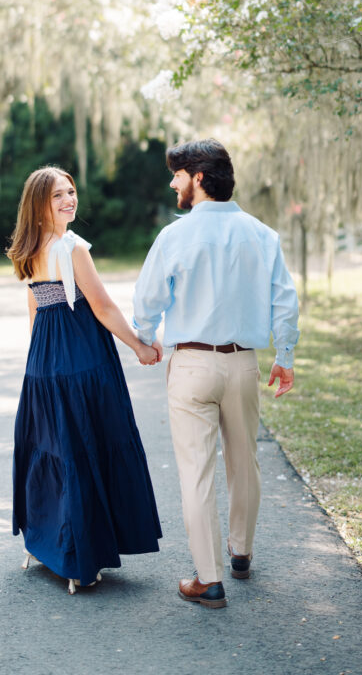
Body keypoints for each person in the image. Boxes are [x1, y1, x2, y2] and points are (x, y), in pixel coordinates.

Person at [132, 138, 299, 609]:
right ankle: (241, 552)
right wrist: (283, 358)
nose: (172, 183)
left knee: (197, 473)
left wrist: (146, 338)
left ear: (199, 178)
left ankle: (210, 579)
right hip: (243, 364)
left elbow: (147, 303)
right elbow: (285, 302)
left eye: (177, 175)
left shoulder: (174, 236)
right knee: (245, 463)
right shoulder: (263, 235)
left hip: (191, 365)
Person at [7, 165, 163, 594]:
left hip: (44, 357)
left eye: (71, 192)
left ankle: (49, 544)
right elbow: (103, 307)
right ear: (40, 204)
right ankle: (82, 555)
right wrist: (139, 345)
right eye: (58, 195)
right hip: (81, 354)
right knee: (86, 445)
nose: (69, 200)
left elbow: (36, 308)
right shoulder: (71, 247)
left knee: (53, 450)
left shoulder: (30, 247)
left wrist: (40, 358)